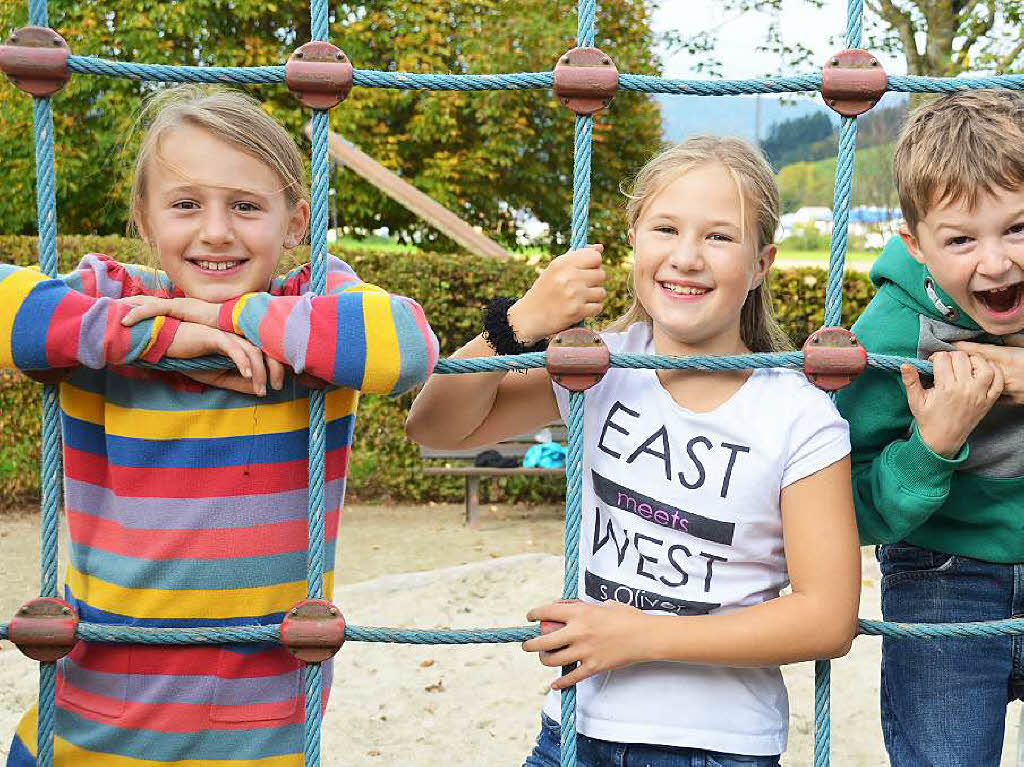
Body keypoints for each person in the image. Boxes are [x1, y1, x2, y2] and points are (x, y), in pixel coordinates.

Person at [0, 85, 437, 766]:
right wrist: (152, 337)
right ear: (143, 219)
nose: (215, 231)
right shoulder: (107, 303)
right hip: (85, 731)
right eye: (184, 204)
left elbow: (406, 347)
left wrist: (226, 319)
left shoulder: (311, 307)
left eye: (245, 206)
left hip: (259, 740)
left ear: (294, 223)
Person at [406, 135, 860, 766]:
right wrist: (518, 325)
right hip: (572, 727)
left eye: (721, 237)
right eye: (665, 228)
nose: (687, 257)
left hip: (716, 745)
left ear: (762, 263)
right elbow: (435, 427)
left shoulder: (797, 415)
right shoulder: (597, 366)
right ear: (635, 244)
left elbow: (827, 617)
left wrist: (642, 635)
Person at [834, 89, 1024, 766]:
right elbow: (843, 503)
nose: (996, 262)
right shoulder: (890, 334)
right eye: (961, 240)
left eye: (1018, 228)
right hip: (945, 573)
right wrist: (932, 449)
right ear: (914, 243)